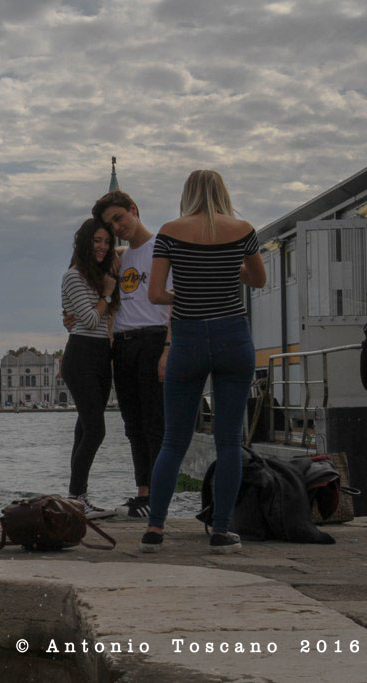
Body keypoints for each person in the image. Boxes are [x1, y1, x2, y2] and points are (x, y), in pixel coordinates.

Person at [141, 170, 266, 554]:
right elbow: (257, 280)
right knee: (228, 441)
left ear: (187, 194)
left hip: (188, 340)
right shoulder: (243, 228)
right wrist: (230, 273)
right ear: (223, 193)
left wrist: (189, 288)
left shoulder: (168, 231)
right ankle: (222, 531)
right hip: (233, 337)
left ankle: (155, 530)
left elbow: (156, 294)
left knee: (173, 441)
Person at [91, 190, 172, 518]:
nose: (118, 227)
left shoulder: (162, 250)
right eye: (111, 224)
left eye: (119, 218)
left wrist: (169, 347)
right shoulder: (119, 258)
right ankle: (142, 493)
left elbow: (176, 301)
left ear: (134, 210)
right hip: (123, 344)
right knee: (132, 422)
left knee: (155, 420)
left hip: (154, 339)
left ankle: (158, 492)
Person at [60, 218, 119, 519]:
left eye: (107, 242)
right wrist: (106, 294)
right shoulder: (74, 276)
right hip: (81, 353)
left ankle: (78, 498)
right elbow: (91, 320)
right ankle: (75, 497)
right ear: (85, 242)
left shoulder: (99, 275)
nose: (103, 247)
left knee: (83, 429)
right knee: (95, 430)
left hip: (100, 355)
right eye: (97, 240)